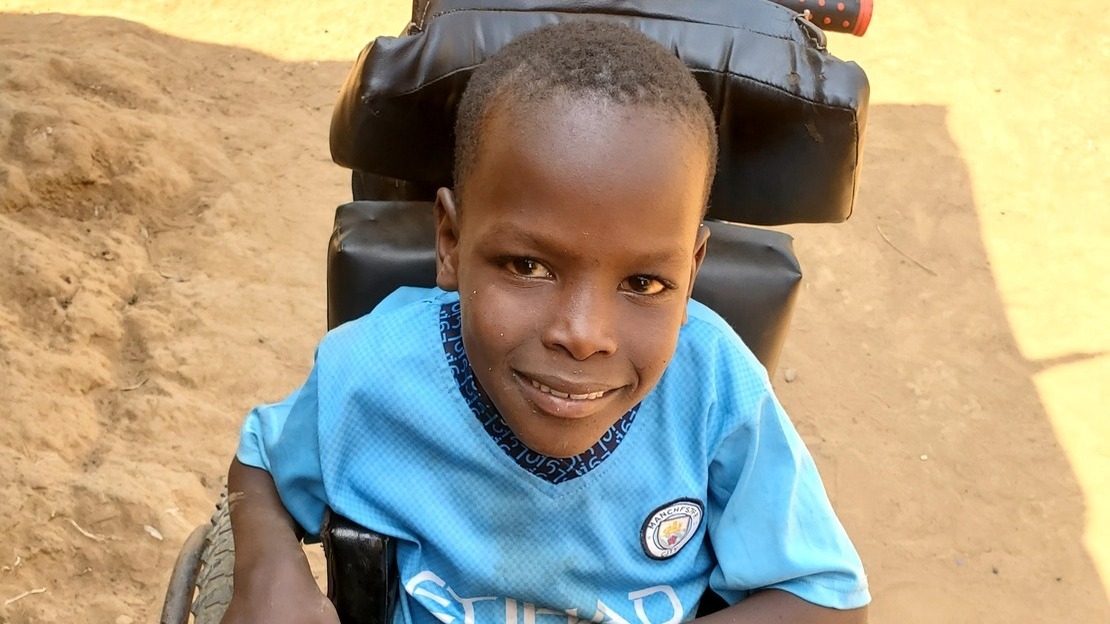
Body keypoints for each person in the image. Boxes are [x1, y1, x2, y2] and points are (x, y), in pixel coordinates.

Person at [220, 20, 870, 624]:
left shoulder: (714, 388)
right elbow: (262, 465)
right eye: (528, 266)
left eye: (644, 282)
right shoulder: (370, 374)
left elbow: (827, 600)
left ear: (692, 270)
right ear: (449, 241)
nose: (584, 334)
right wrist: (267, 567)